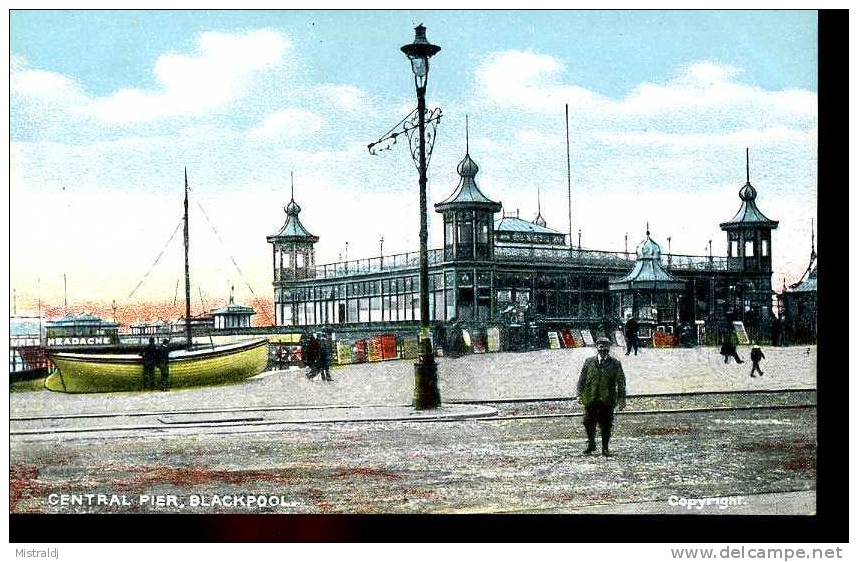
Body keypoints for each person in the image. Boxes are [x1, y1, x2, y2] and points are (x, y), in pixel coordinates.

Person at [577, 337, 627, 457]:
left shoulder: (615, 363)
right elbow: (582, 379)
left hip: (607, 399)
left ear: (609, 348)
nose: (603, 349)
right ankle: (591, 444)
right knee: (588, 423)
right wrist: (579, 394)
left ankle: (605, 448)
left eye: (605, 347)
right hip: (591, 398)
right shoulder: (588, 362)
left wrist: (621, 400)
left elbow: (621, 382)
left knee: (606, 425)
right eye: (600, 346)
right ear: (597, 347)